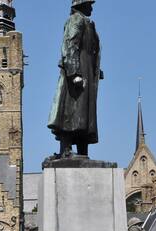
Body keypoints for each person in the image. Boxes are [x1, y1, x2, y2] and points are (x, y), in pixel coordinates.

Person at [48, 0, 103, 158]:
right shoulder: (76, 20)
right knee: (71, 111)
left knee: (85, 114)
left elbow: (90, 50)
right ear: (81, 5)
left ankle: (82, 151)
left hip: (87, 70)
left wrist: (96, 70)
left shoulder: (88, 23)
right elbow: (70, 46)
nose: (91, 7)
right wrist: (74, 73)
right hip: (78, 72)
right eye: (89, 4)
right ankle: (66, 150)